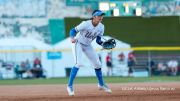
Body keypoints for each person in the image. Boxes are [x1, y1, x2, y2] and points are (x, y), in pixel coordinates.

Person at [67, 10, 112, 96]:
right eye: (99, 16)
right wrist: (72, 37)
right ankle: (69, 86)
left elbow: (98, 40)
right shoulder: (86, 24)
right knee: (78, 63)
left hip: (87, 45)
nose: (101, 17)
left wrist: (103, 44)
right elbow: (73, 30)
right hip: (78, 43)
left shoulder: (101, 27)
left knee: (98, 64)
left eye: (102, 16)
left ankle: (101, 84)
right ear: (94, 16)